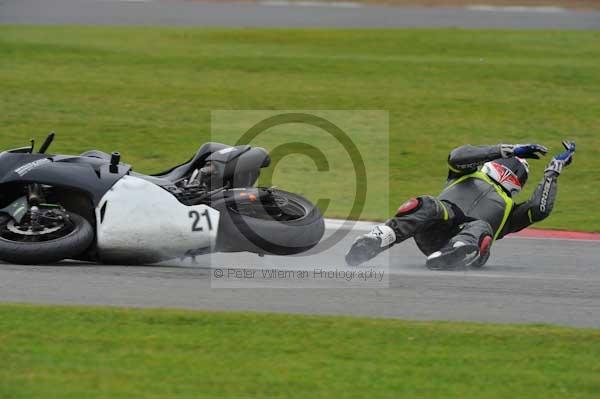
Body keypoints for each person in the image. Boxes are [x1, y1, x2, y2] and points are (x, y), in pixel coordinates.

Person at [345, 141, 576, 269]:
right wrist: (508, 149)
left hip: (472, 246)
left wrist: (553, 171)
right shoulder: (463, 174)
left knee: (481, 226)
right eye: (508, 164)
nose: (510, 172)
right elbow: (456, 156)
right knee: (427, 204)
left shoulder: (511, 211)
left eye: (516, 171)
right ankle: (376, 239)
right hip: (435, 231)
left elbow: (540, 209)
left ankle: (457, 251)